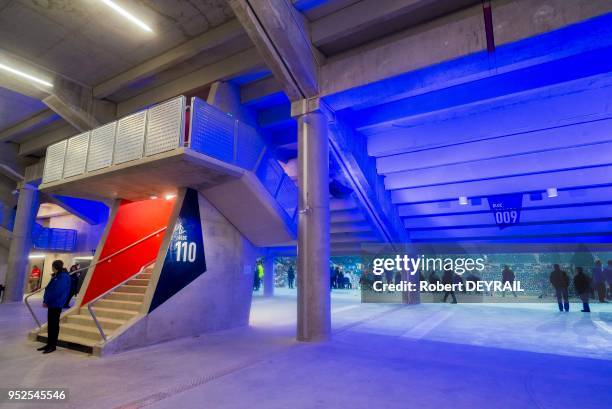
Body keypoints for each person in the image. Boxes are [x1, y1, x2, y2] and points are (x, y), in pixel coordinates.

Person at [38, 260, 71, 354]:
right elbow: (50, 289)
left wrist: (47, 301)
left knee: (54, 325)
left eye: (53, 266)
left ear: (55, 267)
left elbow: (57, 291)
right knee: (51, 324)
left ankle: (52, 345)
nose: (52, 268)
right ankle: (49, 344)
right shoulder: (57, 275)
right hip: (52, 303)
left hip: (56, 304)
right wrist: (46, 300)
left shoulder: (63, 277)